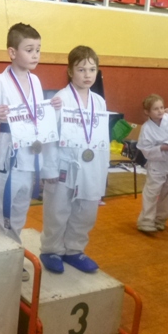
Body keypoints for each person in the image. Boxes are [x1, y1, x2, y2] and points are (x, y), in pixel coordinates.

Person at [0, 23, 60, 281]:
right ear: (12, 52)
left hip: (30, 153)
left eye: (38, 50)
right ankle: (0, 258)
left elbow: (37, 117)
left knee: (19, 208)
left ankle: (11, 251)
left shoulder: (35, 81)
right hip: (6, 153)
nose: (35, 55)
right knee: (0, 209)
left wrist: (51, 109)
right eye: (29, 50)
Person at [40, 46, 109, 274]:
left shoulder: (99, 101)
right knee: (58, 209)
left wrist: (103, 169)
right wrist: (49, 169)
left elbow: (102, 137)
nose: (87, 75)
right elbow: (50, 136)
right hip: (64, 163)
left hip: (91, 165)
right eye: (81, 70)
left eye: (92, 69)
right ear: (70, 71)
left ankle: (74, 249)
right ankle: (51, 249)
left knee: (86, 210)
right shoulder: (60, 99)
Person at [136, 94, 168, 233]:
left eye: (162, 107)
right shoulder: (146, 128)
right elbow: (145, 149)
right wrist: (161, 148)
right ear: (147, 112)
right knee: (151, 193)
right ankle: (146, 221)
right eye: (155, 109)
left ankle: (160, 220)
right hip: (157, 165)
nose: (160, 111)